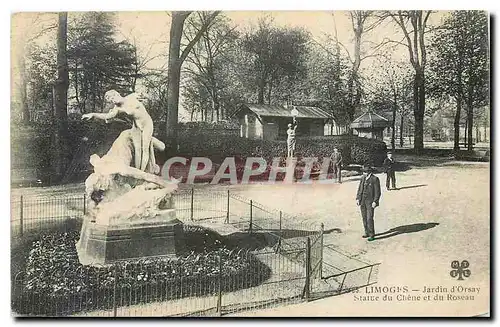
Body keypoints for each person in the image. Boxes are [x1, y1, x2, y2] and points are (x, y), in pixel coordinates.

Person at [82, 90, 157, 174]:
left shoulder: (132, 96)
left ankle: (143, 173)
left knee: (145, 148)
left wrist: (145, 95)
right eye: (111, 101)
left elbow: (148, 97)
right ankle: (138, 172)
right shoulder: (117, 108)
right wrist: (93, 114)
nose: (113, 101)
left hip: (147, 123)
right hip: (136, 126)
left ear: (117, 94)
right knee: (138, 150)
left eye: (113, 97)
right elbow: (107, 116)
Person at [356, 164, 381, 241]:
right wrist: (358, 198)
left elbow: (378, 192)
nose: (363, 173)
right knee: (364, 217)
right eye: (363, 172)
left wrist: (375, 201)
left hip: (370, 202)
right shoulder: (363, 178)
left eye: (365, 172)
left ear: (369, 172)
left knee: (369, 218)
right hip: (362, 200)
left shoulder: (375, 179)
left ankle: (371, 234)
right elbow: (360, 189)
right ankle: (366, 232)